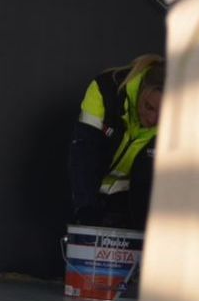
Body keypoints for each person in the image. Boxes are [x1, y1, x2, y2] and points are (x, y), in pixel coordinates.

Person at [66, 54, 165, 231]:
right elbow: (84, 155)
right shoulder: (105, 91)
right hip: (82, 195)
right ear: (141, 88)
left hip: (128, 208)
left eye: (162, 113)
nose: (152, 119)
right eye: (148, 106)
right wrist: (85, 209)